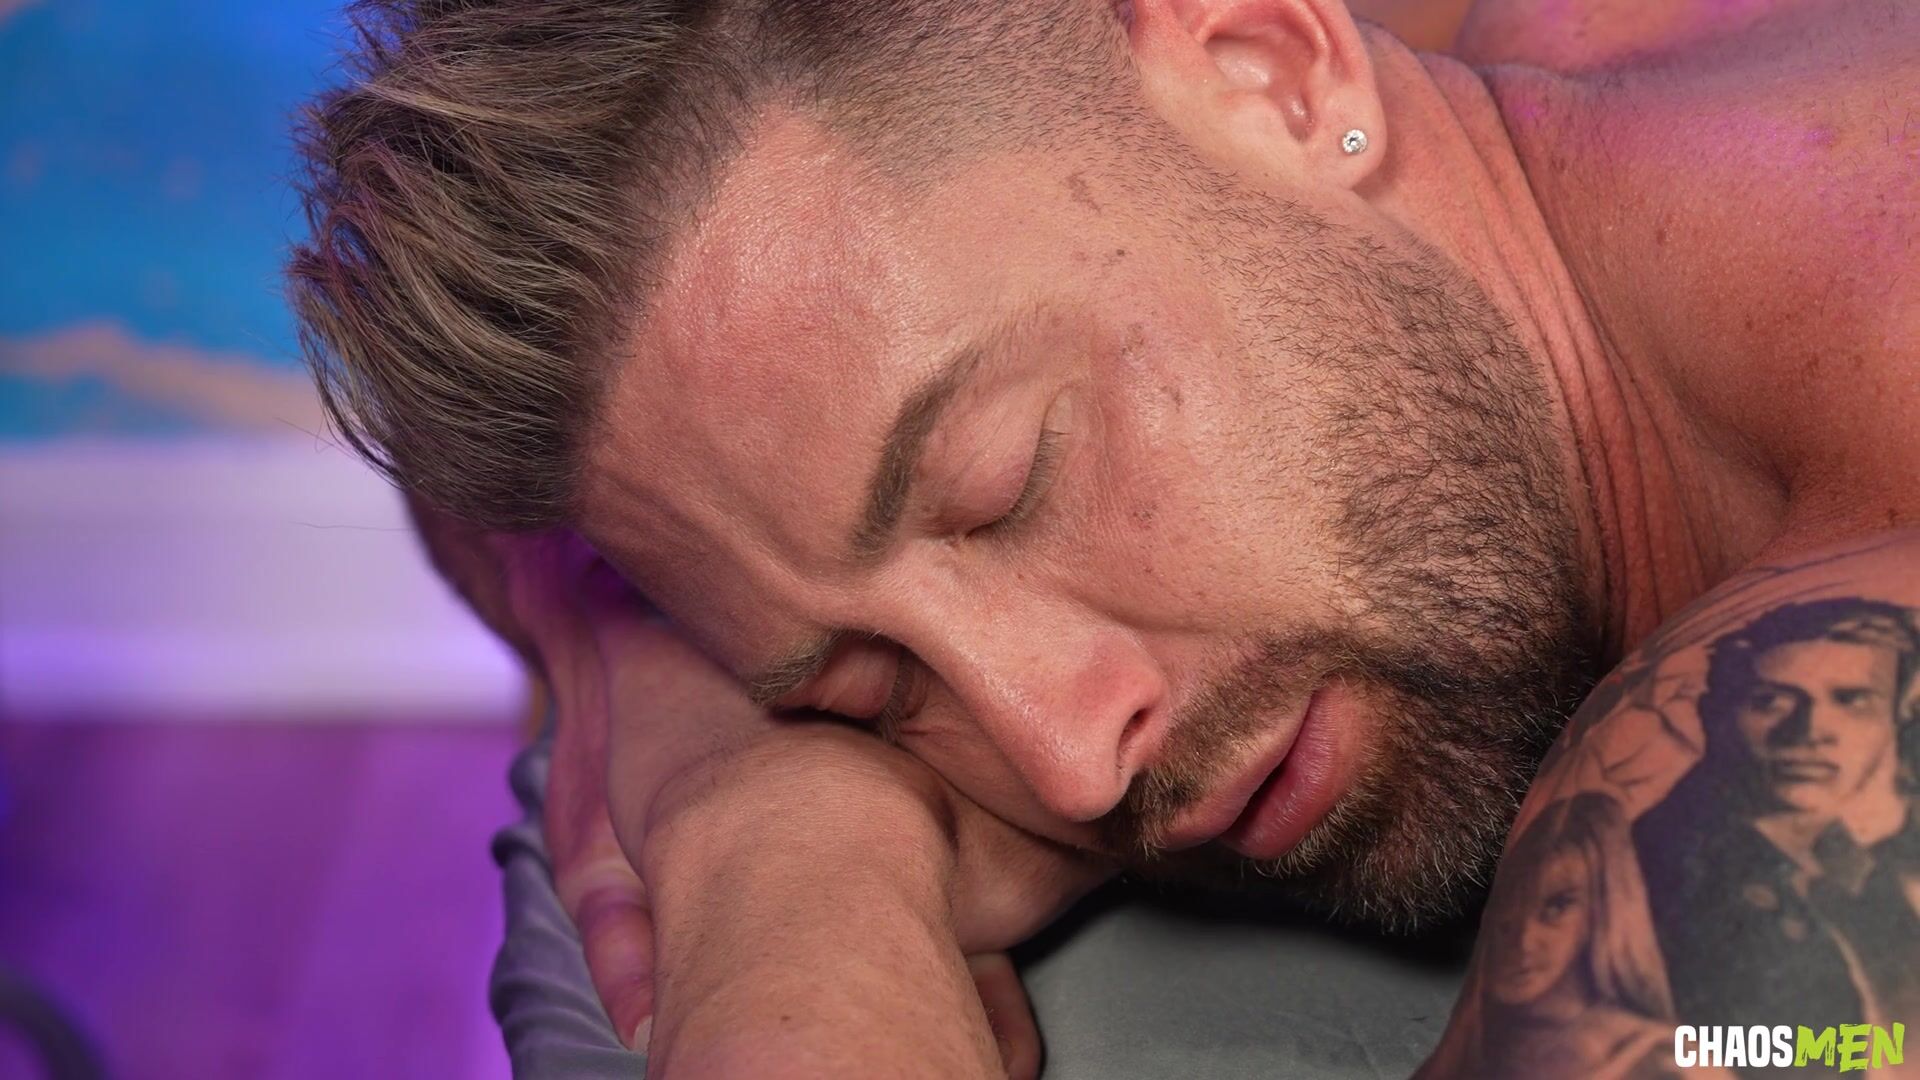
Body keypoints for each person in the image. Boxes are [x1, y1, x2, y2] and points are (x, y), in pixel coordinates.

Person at [286, 0, 1919, 1074]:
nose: (1066, 761)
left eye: (1010, 482)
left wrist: (778, 861)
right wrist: (619, 630)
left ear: (1278, 74)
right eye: (868, 689)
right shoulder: (1357, 78)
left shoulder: (1810, 712)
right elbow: (485, 485)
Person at [1633, 599, 1920, 1047]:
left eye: (1852, 700)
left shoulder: (1866, 868)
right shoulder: (1652, 871)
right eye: (1770, 701)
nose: (1810, 731)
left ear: (1895, 721)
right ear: (1717, 716)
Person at [1452, 792, 1711, 1080]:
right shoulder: (1482, 1039)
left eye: (1557, 906)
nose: (1524, 938)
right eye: (1510, 904)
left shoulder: (1661, 1059)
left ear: (1608, 907)